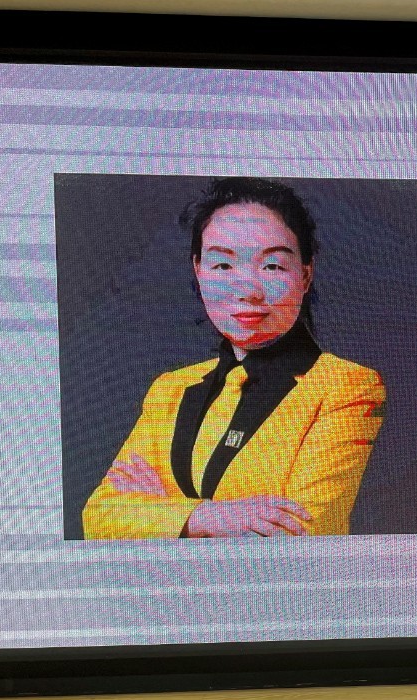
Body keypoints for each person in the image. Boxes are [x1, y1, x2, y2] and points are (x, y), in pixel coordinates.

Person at [83, 177, 385, 539]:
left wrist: (156, 513)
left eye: (272, 266)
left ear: (305, 275)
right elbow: (97, 517)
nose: (248, 291)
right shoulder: (170, 389)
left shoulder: (344, 386)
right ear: (198, 270)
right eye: (223, 266)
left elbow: (302, 532)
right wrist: (208, 517)